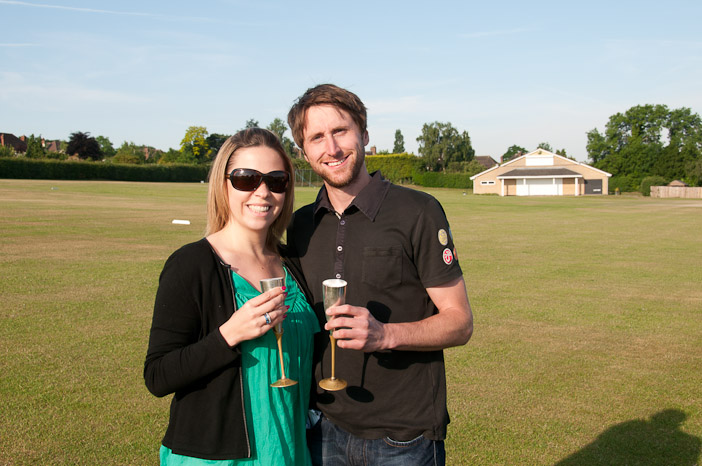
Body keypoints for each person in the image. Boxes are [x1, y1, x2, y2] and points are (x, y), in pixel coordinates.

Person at [285, 84, 474, 465]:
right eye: (317, 137)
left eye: (340, 131)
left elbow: (460, 322)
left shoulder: (418, 211)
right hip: (322, 428)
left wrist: (385, 335)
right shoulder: (301, 224)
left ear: (365, 135)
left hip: (403, 437)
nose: (332, 148)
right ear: (304, 152)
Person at [144, 128, 319, 465]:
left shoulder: (294, 264)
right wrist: (229, 334)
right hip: (217, 459)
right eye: (246, 179)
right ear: (224, 184)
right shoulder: (191, 264)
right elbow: (158, 375)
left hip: (289, 452)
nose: (262, 192)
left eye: (276, 180)